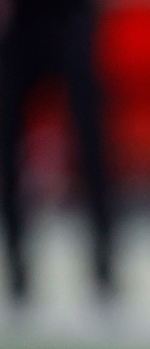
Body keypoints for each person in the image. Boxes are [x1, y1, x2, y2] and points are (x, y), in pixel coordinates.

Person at [0, 0, 115, 309]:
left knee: (92, 145)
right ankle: (17, 271)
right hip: (22, 21)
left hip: (71, 14)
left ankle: (104, 267)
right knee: (7, 149)